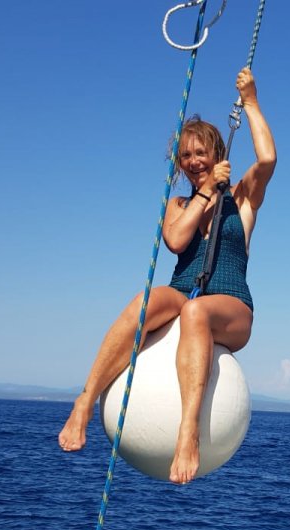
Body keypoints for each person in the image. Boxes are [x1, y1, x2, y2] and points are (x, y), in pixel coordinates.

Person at [57, 67, 275, 485]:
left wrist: (250, 101)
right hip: (184, 294)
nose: (194, 162)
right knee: (147, 300)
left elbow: (267, 159)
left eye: (201, 154)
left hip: (230, 308)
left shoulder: (242, 198)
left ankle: (188, 430)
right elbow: (176, 241)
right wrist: (207, 191)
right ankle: (85, 401)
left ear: (216, 154)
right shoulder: (178, 204)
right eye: (186, 156)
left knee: (195, 312)